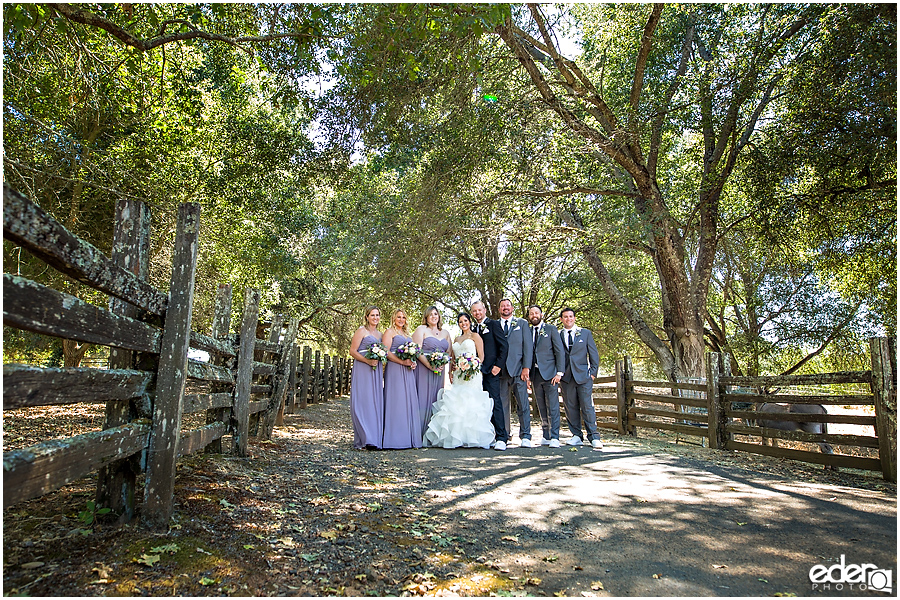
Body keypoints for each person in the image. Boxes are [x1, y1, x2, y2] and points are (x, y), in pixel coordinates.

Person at [423, 312, 496, 449]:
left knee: (471, 404)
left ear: (469, 321)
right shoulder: (456, 339)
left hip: (472, 374)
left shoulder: (475, 336)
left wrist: (472, 365)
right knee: (457, 404)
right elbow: (453, 357)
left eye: (465, 321)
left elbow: (481, 356)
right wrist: (451, 370)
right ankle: (456, 438)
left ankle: (473, 438)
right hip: (458, 375)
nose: (463, 323)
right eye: (461, 322)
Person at [559, 307, 603, 450]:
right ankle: (576, 435)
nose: (568, 319)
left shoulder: (585, 333)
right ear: (561, 319)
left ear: (575, 318)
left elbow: (593, 354)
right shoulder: (558, 335)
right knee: (570, 407)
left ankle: (594, 436)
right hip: (566, 377)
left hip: (583, 376)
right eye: (565, 317)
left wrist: (593, 373)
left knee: (587, 406)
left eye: (571, 316)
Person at [522, 305, 565, 447]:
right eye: (531, 314)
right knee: (540, 406)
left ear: (541, 315)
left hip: (550, 373)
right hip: (535, 375)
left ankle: (555, 436)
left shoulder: (551, 329)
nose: (534, 315)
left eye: (536, 313)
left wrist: (559, 372)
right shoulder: (527, 331)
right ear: (529, 316)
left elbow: (559, 351)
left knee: (553, 405)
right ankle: (546, 435)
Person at [470, 300, 509, 450]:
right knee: (481, 405)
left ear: (484, 310)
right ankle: (488, 435)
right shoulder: (473, 329)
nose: (477, 313)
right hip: (476, 373)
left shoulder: (493, 325)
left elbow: (504, 346)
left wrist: (498, 366)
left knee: (495, 402)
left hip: (491, 371)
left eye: (479, 310)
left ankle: (501, 437)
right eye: (474, 311)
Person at [382, 309, 422, 449]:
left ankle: (408, 437)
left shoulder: (407, 335)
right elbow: (385, 352)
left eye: (403, 317)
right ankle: (394, 439)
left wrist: (412, 361)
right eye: (398, 317)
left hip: (408, 370)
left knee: (408, 401)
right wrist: (402, 362)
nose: (401, 319)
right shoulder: (389, 332)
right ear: (394, 318)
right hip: (394, 369)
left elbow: (412, 353)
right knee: (396, 400)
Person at [497, 298, 534, 447]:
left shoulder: (522, 324)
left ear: (512, 308)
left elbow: (528, 347)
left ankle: (526, 435)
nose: (505, 308)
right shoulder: (495, 325)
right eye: (502, 306)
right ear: (499, 309)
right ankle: (504, 435)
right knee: (502, 405)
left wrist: (526, 367)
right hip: (501, 371)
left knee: (523, 404)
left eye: (507, 305)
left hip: (519, 370)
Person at [348, 306, 385, 450]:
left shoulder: (381, 334)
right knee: (363, 400)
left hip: (375, 370)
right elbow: (352, 351)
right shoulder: (361, 331)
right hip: (363, 368)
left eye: (377, 315)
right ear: (367, 316)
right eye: (372, 315)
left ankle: (373, 438)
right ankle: (363, 437)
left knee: (374, 401)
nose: (375, 317)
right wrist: (367, 361)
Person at [412, 306, 452, 433]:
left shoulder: (445, 333)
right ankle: (419, 432)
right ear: (426, 318)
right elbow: (417, 351)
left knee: (437, 398)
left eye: (436, 314)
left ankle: (433, 433)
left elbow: (449, 351)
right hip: (423, 369)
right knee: (422, 399)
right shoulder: (421, 329)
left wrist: (443, 363)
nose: (434, 316)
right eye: (430, 315)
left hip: (439, 370)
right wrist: (430, 365)